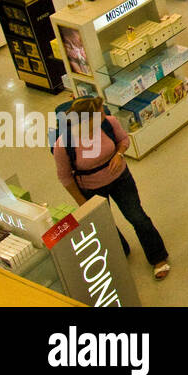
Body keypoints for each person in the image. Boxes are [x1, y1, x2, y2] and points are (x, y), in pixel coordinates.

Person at [53, 97, 170, 280]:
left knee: (137, 217)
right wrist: (82, 202)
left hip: (120, 178)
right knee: (104, 225)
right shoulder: (63, 144)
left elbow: (123, 140)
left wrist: (119, 154)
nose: (104, 114)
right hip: (90, 189)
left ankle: (158, 257)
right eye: (100, 112)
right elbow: (65, 176)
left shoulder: (109, 123)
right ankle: (120, 250)